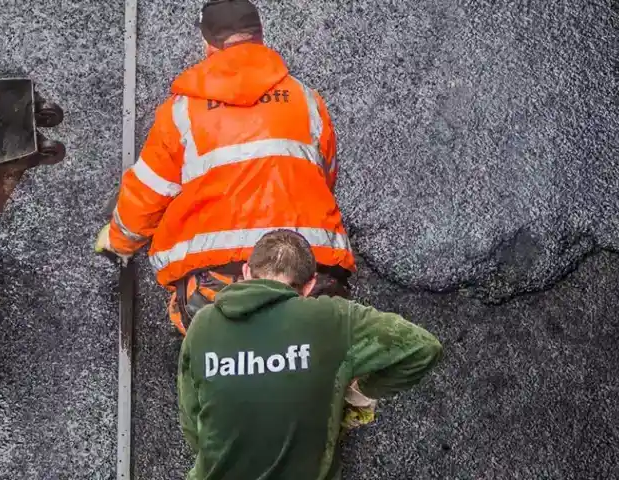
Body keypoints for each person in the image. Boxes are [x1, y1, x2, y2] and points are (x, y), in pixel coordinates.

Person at [94, 0, 355, 336]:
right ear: (260, 37)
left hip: (217, 281)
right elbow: (324, 176)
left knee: (211, 340)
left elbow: (148, 193)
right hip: (308, 269)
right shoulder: (306, 100)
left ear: (207, 44)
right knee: (321, 344)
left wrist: (118, 241)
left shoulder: (182, 112)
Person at [177, 229, 443, 480]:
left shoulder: (203, 324)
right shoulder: (332, 317)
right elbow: (423, 347)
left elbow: (191, 422)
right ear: (309, 285)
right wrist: (364, 390)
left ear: (246, 271)